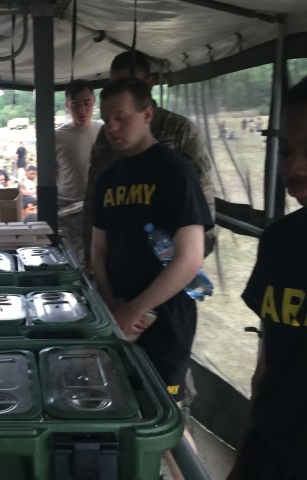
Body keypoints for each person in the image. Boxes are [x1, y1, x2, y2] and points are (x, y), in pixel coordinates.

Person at [91, 78, 212, 480]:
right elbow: (99, 252)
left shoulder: (176, 172)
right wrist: (112, 307)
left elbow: (189, 258)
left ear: (147, 115)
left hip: (165, 318)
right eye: (106, 119)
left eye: (120, 117)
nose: (111, 128)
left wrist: (135, 308)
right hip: (117, 316)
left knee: (167, 418)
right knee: (125, 406)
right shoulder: (108, 179)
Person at [226, 77, 307, 480]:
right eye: (287, 151)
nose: (293, 167)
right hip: (269, 453)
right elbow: (266, 367)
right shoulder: (280, 240)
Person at [83, 49, 216, 271]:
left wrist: (190, 260)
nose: (113, 126)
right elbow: (93, 198)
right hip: (119, 259)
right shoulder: (105, 137)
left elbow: (202, 199)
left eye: (129, 82)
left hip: (167, 263)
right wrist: (91, 257)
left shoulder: (180, 131)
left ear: (149, 83)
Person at [55, 79, 103, 261]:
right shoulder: (57, 137)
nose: (82, 110)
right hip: (67, 211)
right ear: (67, 105)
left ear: (94, 101)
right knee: (71, 259)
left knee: (98, 257)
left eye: (86, 103)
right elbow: (50, 179)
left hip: (97, 206)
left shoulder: (105, 131)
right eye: (75, 105)